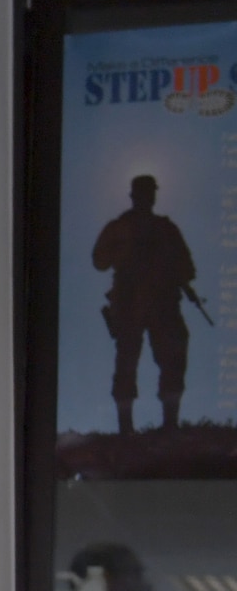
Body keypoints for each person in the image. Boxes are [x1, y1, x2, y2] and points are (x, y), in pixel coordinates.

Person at [94, 174, 197, 433]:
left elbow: (186, 267)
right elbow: (99, 260)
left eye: (149, 193)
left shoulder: (165, 228)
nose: (147, 198)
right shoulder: (121, 227)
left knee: (172, 358)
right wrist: (127, 252)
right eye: (144, 192)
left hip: (161, 302)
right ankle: (126, 428)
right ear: (136, 195)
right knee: (127, 362)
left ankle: (169, 424)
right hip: (131, 302)